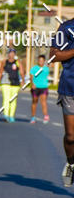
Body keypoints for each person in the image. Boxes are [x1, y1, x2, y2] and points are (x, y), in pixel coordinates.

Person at [51, 17, 74, 187]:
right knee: (72, 137)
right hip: (70, 88)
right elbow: (54, 55)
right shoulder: (66, 28)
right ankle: (71, 164)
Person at [0, 48, 22, 122]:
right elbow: (0, 72)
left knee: (13, 100)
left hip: (15, 83)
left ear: (15, 54)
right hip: (5, 82)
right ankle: (6, 115)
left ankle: (11, 116)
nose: (11, 54)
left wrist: (23, 81)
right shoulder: (4, 62)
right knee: (6, 99)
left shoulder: (17, 62)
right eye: (10, 53)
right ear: (8, 54)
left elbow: (22, 71)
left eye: (13, 53)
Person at [29, 53, 50, 123]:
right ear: (38, 61)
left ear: (44, 61)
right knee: (34, 101)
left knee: (43, 101)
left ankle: (46, 116)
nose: (40, 62)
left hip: (44, 87)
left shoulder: (46, 69)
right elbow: (31, 77)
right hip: (35, 87)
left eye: (42, 60)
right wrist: (32, 84)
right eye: (39, 60)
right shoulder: (34, 68)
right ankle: (33, 117)